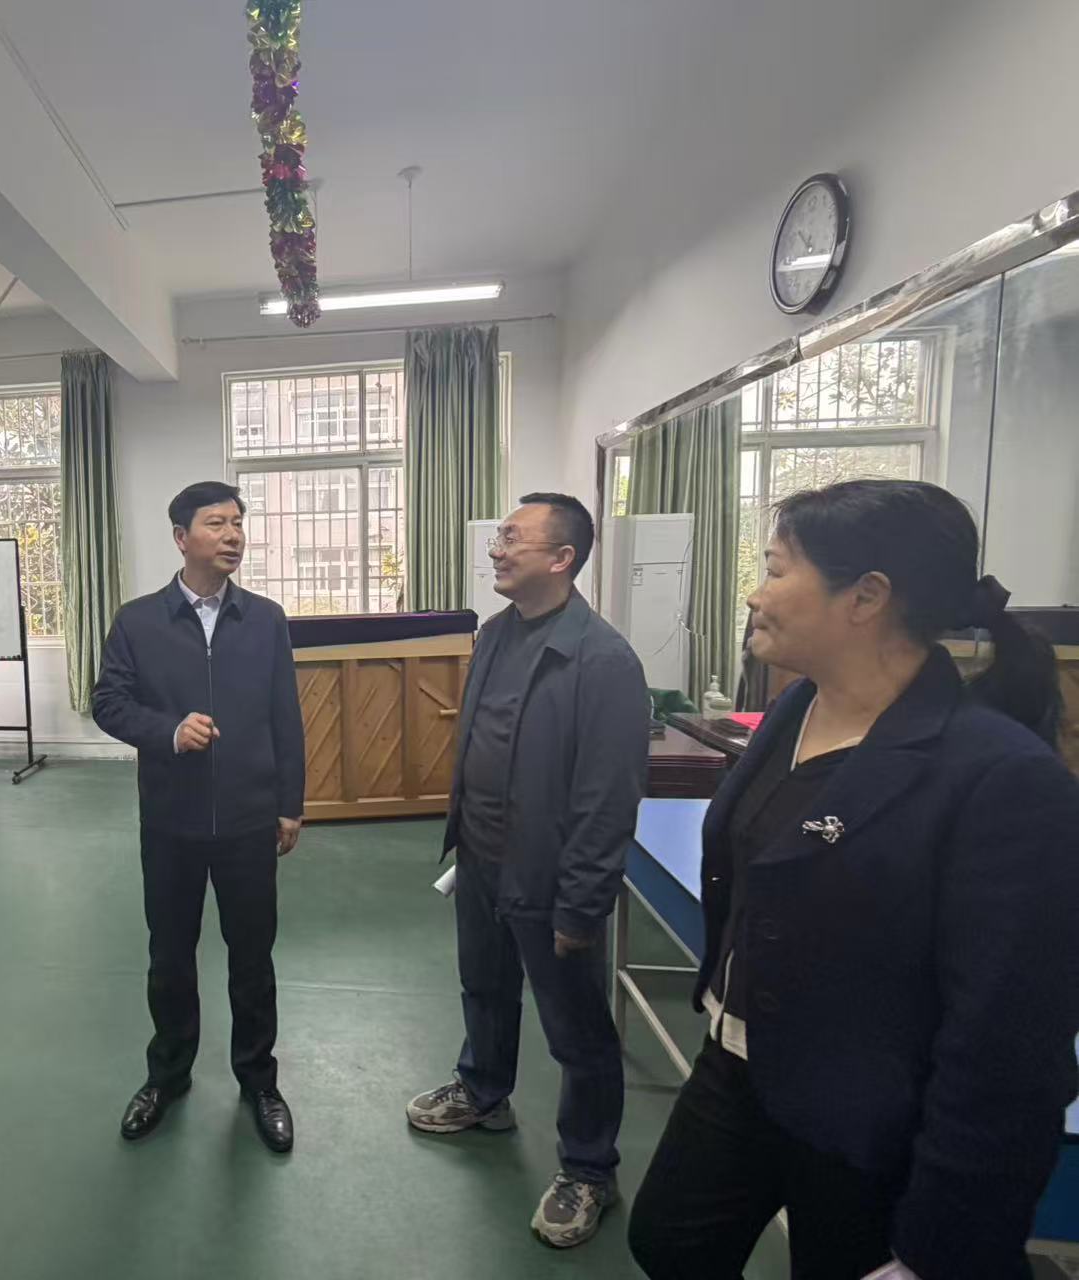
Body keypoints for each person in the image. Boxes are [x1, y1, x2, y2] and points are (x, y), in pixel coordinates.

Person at [628, 480, 1079, 1280]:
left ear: (866, 597)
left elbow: (1008, 1042)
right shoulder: (796, 709)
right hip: (738, 1064)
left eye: (774, 570)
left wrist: (937, 1247)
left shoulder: (999, 778)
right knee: (667, 1241)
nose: (753, 594)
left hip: (867, 1117)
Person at [407, 492, 648, 1248]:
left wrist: (582, 904)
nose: (497, 549)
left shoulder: (603, 661)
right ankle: (484, 1093)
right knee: (483, 987)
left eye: (513, 538)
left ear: (562, 557)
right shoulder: (496, 632)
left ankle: (589, 1169)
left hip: (548, 875)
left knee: (577, 1033)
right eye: (499, 536)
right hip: (480, 856)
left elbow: (607, 800)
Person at [92, 481, 305, 1153]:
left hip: (248, 819)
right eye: (216, 523)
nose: (233, 534)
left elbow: (286, 716)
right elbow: (108, 703)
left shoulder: (265, 619)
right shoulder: (138, 621)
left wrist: (290, 804)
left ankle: (259, 1082)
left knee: (252, 959)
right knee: (169, 957)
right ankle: (167, 1076)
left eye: (237, 522)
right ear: (181, 538)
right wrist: (167, 731)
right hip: (171, 822)